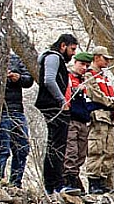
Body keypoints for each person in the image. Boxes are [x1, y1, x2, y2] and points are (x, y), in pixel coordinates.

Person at [35, 33, 78, 194]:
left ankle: (52, 185)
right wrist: (62, 101)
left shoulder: (54, 58)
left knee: (55, 145)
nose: (73, 53)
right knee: (57, 146)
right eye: (72, 49)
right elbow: (49, 80)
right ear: (63, 46)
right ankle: (56, 185)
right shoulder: (54, 58)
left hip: (54, 105)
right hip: (53, 107)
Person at [0, 52, 34, 188]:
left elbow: (29, 80)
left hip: (17, 111)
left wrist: (18, 78)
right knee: (2, 149)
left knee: (23, 148)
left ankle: (15, 183)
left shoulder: (15, 59)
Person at [84, 46, 114, 194]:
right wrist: (111, 104)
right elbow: (95, 94)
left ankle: (104, 180)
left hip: (110, 117)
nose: (107, 61)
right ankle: (94, 181)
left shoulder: (104, 77)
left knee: (108, 150)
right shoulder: (90, 75)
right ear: (97, 57)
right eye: (105, 58)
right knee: (96, 148)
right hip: (98, 116)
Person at [62, 51, 93, 194]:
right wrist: (76, 90)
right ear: (75, 62)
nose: (84, 68)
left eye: (87, 65)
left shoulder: (85, 80)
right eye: (82, 64)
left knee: (81, 153)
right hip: (71, 119)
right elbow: (66, 95)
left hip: (83, 120)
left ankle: (75, 176)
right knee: (71, 150)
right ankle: (69, 179)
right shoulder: (67, 77)